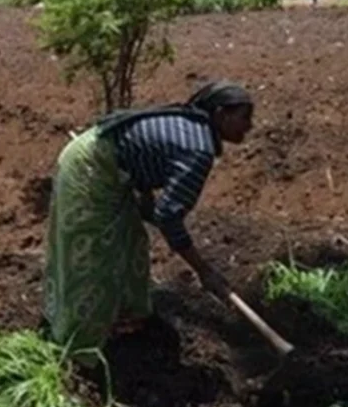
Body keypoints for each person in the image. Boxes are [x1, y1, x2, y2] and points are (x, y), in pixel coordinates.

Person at [42, 81, 255, 361]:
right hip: (90, 170)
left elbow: (144, 151)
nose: (249, 126)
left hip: (105, 164)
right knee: (93, 256)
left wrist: (146, 203)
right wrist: (204, 271)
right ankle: (77, 346)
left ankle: (125, 322)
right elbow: (169, 216)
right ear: (220, 114)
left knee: (131, 239)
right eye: (244, 117)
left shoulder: (191, 125)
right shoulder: (199, 150)